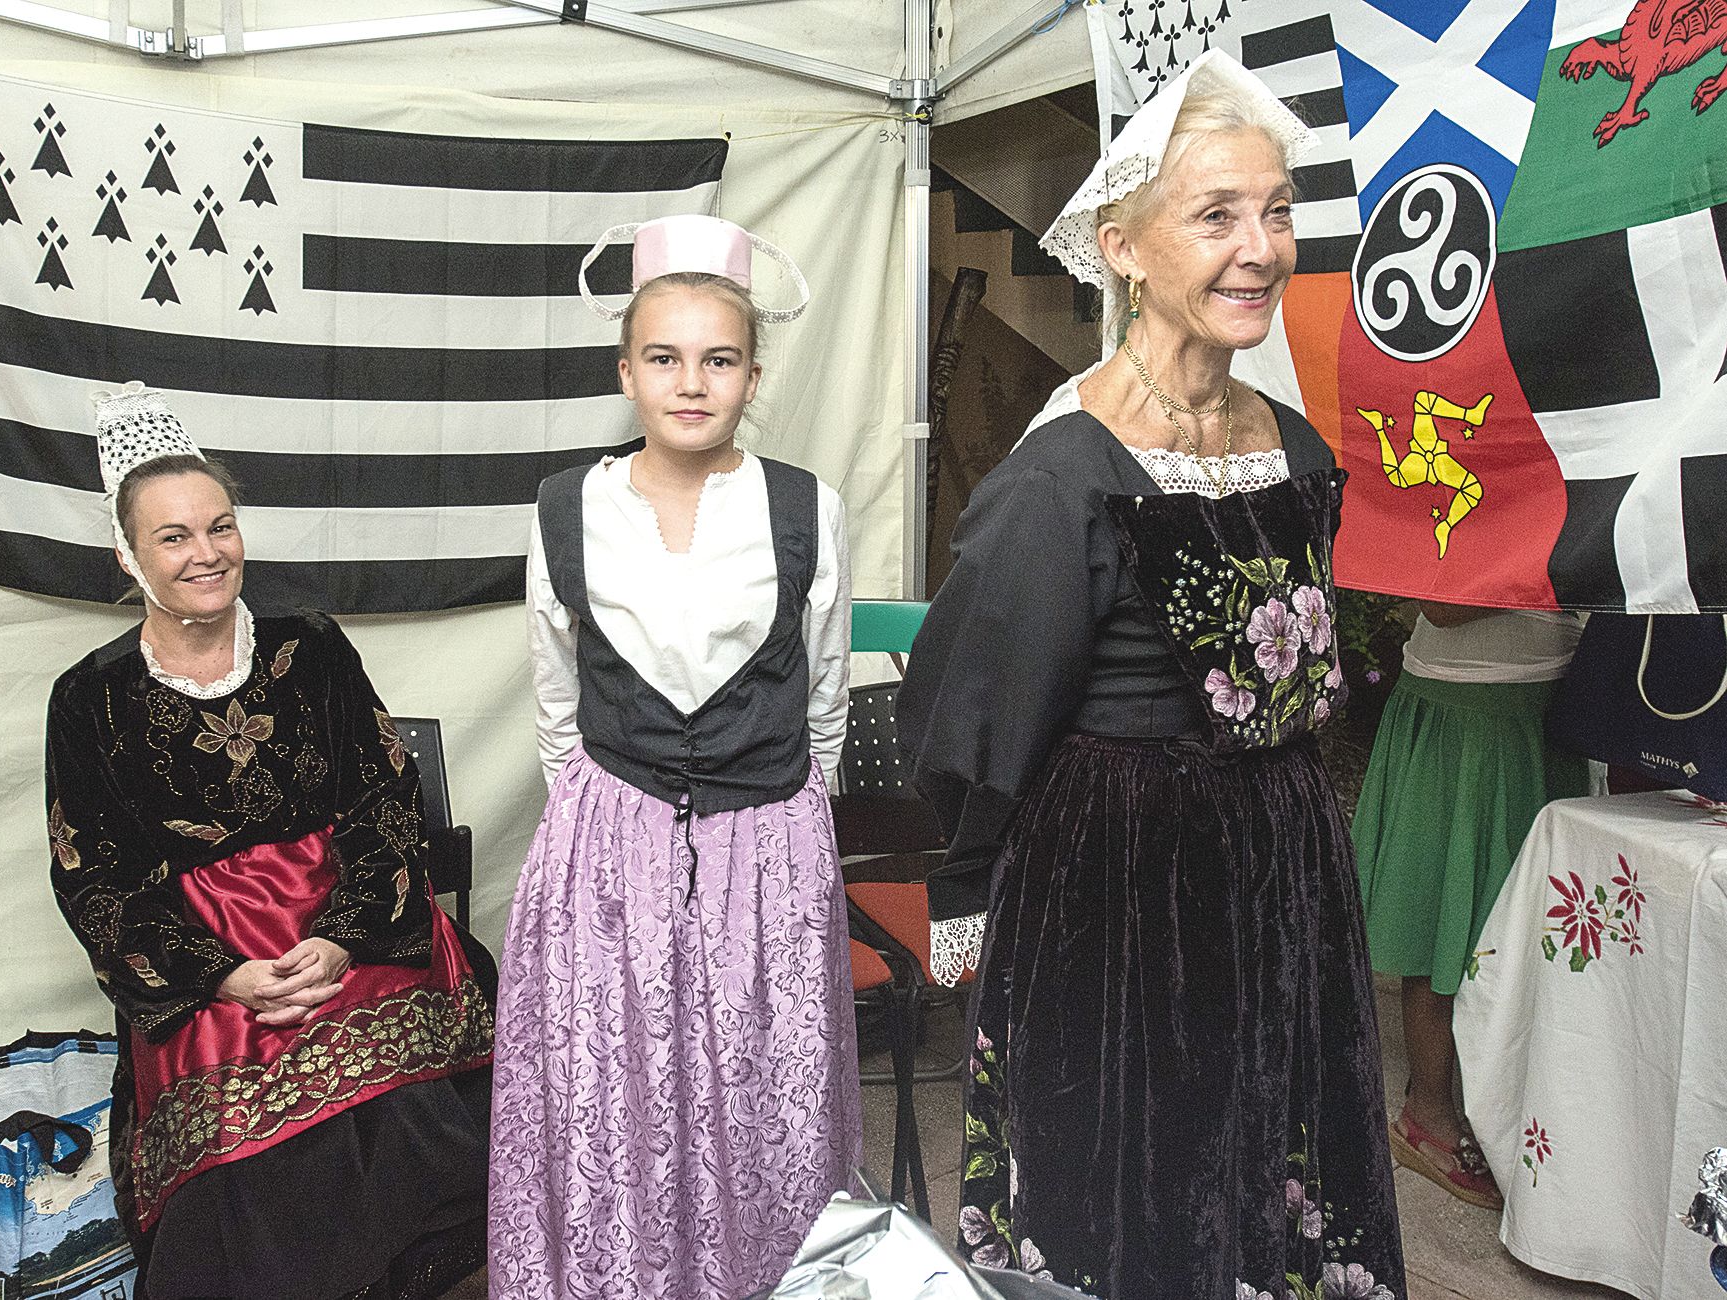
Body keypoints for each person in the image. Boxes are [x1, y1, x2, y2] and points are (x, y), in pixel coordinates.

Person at [899, 51, 1405, 1300]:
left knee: (1266, 1173)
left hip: (1281, 872)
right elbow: (964, 698)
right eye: (1216, 214)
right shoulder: (1060, 467)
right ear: (1121, 247)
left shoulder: (1286, 441)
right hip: (1121, 891)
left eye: (1276, 210)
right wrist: (968, 895)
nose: (1259, 247)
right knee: (1138, 1187)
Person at [45, 384, 496, 1300]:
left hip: (348, 918)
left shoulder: (312, 647)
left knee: (405, 1100)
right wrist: (223, 975)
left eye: (220, 526)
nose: (205, 554)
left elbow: (384, 802)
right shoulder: (87, 698)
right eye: (173, 537)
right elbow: (92, 876)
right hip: (205, 948)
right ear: (128, 556)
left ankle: (423, 1274)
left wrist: (339, 937)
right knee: (241, 1146)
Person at [487, 215, 861, 1299]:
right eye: (663, 357)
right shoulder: (568, 507)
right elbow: (558, 700)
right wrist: (614, 833)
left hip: (768, 836)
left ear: (750, 373)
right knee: (619, 1093)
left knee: (762, 1094)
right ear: (625, 372)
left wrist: (783, 836)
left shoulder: (804, 507)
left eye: (718, 358)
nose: (689, 382)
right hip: (609, 844)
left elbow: (822, 694)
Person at [1353, 604, 1588, 1209]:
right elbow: (1444, 602)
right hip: (1466, 704)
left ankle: (1516, 1114)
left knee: (1534, 924)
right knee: (1446, 912)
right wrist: (1531, 545)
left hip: (1554, 697)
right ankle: (1426, 1113)